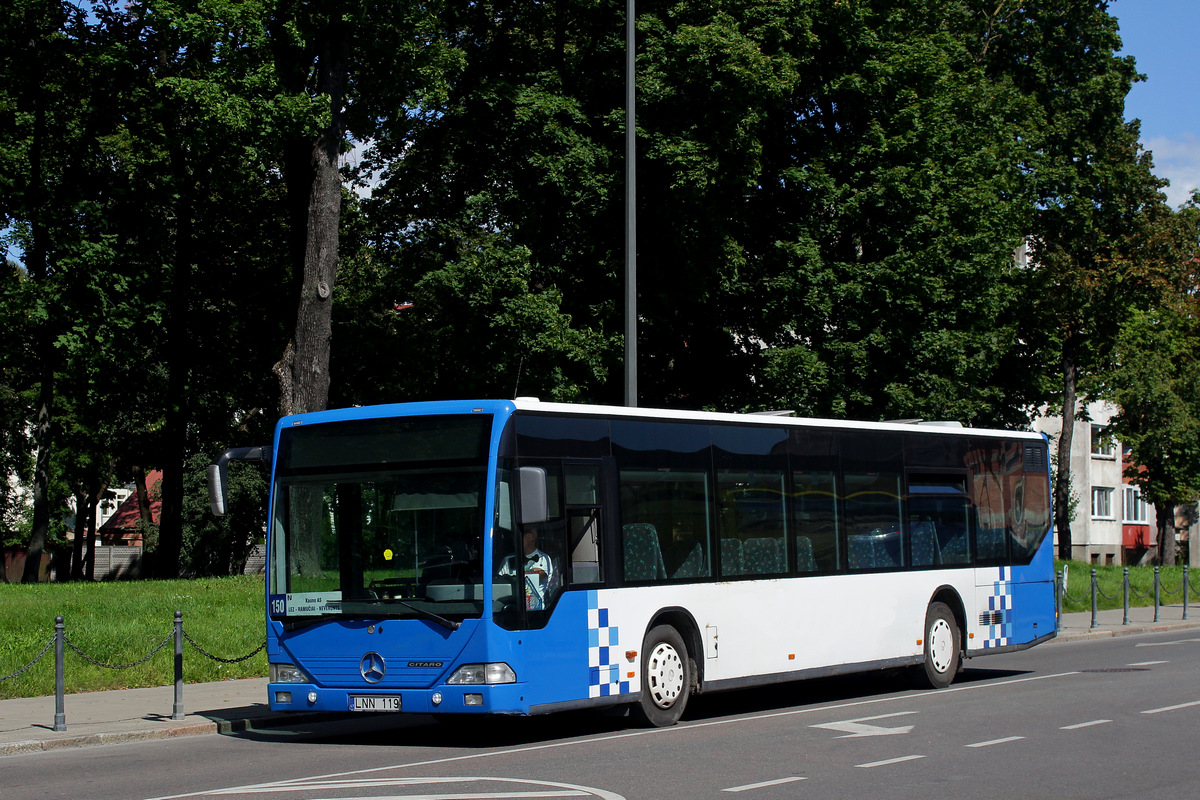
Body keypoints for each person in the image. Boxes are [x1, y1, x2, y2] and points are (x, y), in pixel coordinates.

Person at [499, 526, 559, 610]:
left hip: (535, 608)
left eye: (520, 534)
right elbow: (500, 583)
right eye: (514, 535)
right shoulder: (508, 560)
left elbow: (542, 575)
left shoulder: (543, 559)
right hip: (511, 606)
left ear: (532, 537)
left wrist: (526, 570)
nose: (515, 538)